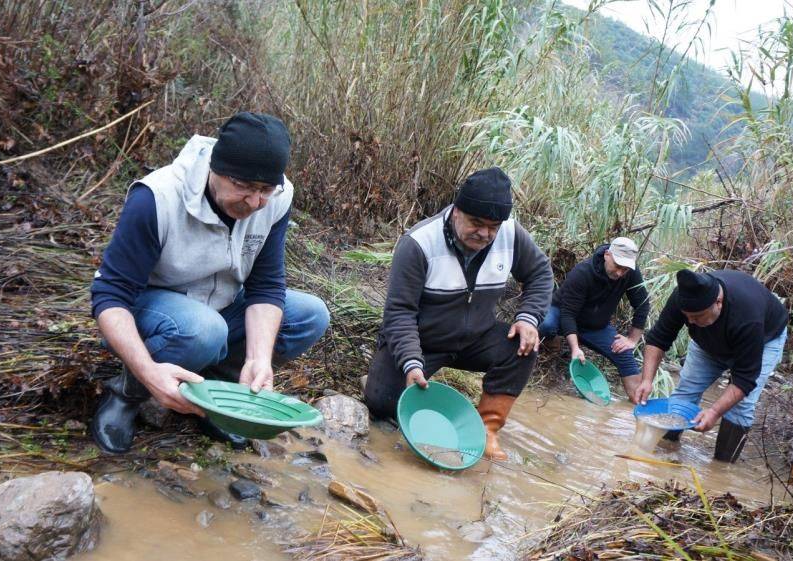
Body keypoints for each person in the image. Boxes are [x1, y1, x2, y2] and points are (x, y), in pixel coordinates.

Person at [89, 112, 330, 454]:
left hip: (221, 304)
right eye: (243, 186)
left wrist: (259, 358)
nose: (254, 202)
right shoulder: (157, 198)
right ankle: (127, 393)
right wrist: (148, 372)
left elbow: (266, 285)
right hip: (156, 309)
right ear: (215, 169)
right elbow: (110, 296)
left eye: (264, 189)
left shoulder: (276, 200)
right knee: (205, 330)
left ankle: (215, 392)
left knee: (310, 315)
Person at [364, 167, 554, 461]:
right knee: (382, 402)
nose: (485, 233)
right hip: (423, 341)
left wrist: (528, 318)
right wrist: (412, 364)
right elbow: (400, 314)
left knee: (523, 347)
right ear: (456, 211)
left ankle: (486, 430)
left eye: (493, 226)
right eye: (476, 223)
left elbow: (541, 273)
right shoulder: (418, 243)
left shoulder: (510, 235)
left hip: (476, 337)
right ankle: (393, 378)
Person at [634, 269, 789, 462]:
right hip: (707, 343)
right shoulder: (683, 297)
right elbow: (658, 339)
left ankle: (722, 467)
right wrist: (647, 380)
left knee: (742, 406)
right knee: (686, 391)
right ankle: (665, 452)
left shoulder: (747, 315)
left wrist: (714, 412)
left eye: (697, 316)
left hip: (764, 341)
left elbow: (745, 378)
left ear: (718, 302)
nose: (690, 322)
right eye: (687, 316)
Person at [537, 237, 650, 401]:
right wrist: (575, 348)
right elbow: (568, 314)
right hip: (562, 315)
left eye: (624, 269)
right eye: (617, 266)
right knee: (546, 325)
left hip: (595, 327)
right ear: (607, 255)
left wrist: (632, 339)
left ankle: (640, 403)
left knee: (624, 354)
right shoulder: (583, 272)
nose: (620, 273)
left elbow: (642, 305)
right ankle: (551, 345)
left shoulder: (630, 273)